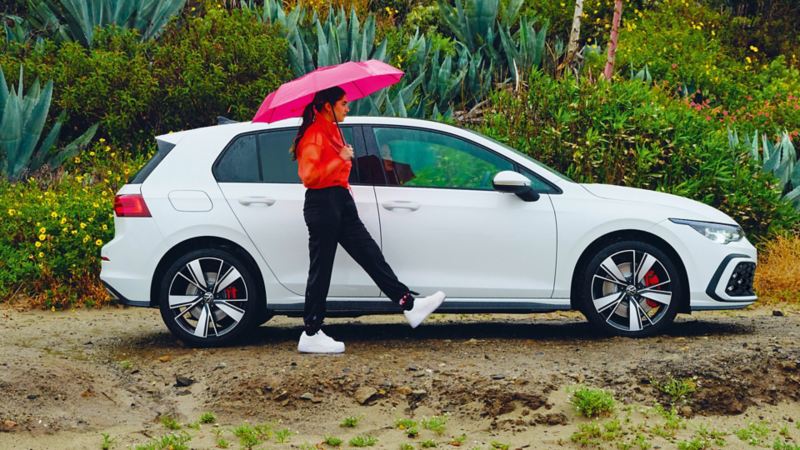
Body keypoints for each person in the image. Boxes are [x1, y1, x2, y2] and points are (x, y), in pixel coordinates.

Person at [290, 86, 446, 354]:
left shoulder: (331, 132)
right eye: (343, 103)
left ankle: (409, 305)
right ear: (328, 106)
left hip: (340, 202)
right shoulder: (314, 135)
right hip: (323, 204)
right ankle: (311, 331)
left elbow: (335, 171)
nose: (348, 108)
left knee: (370, 254)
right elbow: (309, 177)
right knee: (321, 268)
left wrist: (342, 157)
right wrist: (339, 159)